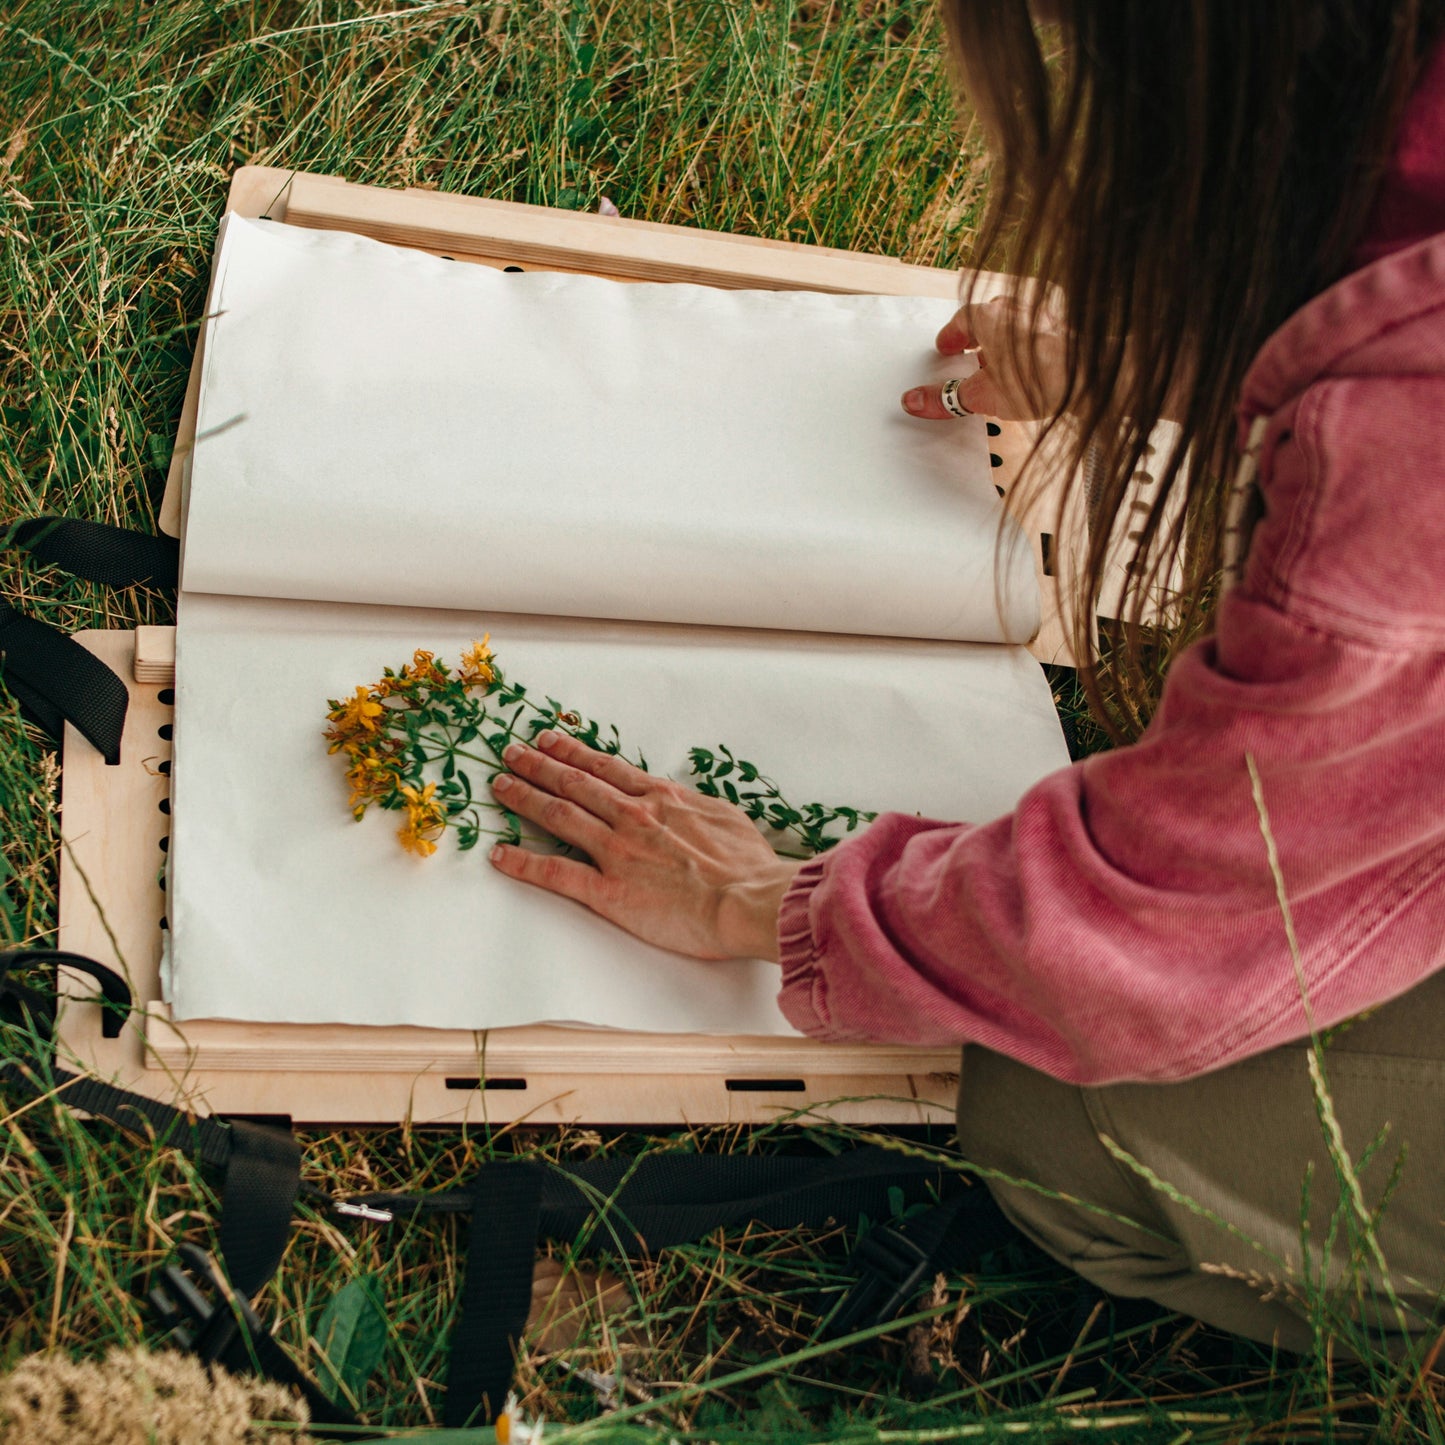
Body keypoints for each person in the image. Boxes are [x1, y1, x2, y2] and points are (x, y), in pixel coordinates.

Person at [486, 1, 1445, 1355]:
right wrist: (1194, 348)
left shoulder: (1404, 444)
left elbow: (1158, 940)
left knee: (1063, 1120)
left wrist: (775, 902)